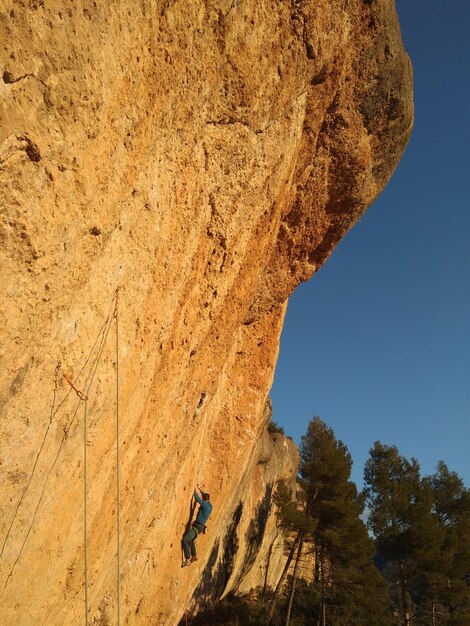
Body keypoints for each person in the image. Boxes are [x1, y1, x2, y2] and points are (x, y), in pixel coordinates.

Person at [182, 485, 212, 567]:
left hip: (197, 527)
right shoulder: (210, 505)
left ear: (204, 500)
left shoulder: (205, 505)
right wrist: (201, 490)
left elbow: (198, 499)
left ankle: (188, 559)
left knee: (185, 540)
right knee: (192, 540)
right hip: (199, 527)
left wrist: (194, 492)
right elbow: (204, 498)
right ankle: (194, 555)